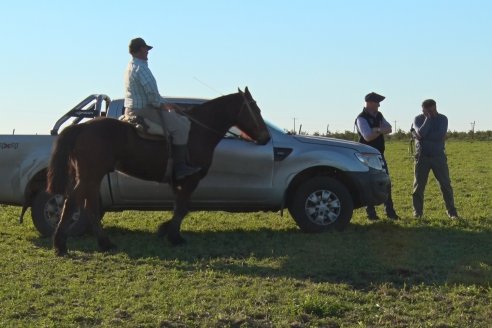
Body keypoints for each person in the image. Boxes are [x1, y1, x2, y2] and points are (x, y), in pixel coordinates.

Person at [123, 37, 200, 180]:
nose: (147, 52)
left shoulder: (130, 67)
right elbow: (153, 96)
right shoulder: (142, 68)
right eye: (146, 49)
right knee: (181, 127)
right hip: (145, 110)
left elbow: (151, 95)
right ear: (140, 49)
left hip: (132, 108)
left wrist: (167, 103)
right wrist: (166, 105)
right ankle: (180, 167)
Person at [411, 99, 459, 219]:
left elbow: (439, 136)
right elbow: (420, 133)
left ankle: (452, 212)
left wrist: (422, 136)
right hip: (422, 157)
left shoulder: (443, 119)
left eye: (430, 111)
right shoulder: (418, 119)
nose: (427, 113)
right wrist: (427, 119)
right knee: (418, 186)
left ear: (435, 108)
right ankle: (417, 213)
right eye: (424, 111)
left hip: (438, 156)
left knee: (446, 185)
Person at [355, 92, 399, 220]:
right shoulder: (361, 118)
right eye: (377, 102)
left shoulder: (379, 115)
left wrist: (376, 130)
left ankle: (390, 212)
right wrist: (380, 130)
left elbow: (389, 129)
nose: (379, 105)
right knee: (368, 184)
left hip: (379, 154)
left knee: (386, 183)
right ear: (370, 103)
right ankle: (371, 214)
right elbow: (367, 137)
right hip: (366, 156)